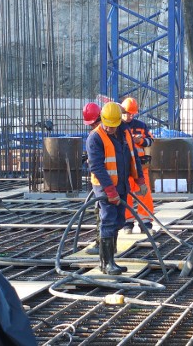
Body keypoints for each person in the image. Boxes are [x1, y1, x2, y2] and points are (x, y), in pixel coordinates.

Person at [86, 102, 147, 275]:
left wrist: (140, 179)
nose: (110, 129)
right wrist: (110, 191)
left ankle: (111, 259)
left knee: (120, 220)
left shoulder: (124, 132)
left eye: (113, 126)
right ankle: (106, 263)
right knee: (108, 220)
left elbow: (133, 157)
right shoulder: (95, 138)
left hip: (122, 184)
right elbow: (97, 167)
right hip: (104, 187)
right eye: (107, 125)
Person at [120, 97, 155, 234]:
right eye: (127, 113)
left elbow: (150, 141)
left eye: (132, 114)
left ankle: (145, 222)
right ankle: (127, 222)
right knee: (126, 194)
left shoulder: (141, 126)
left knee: (144, 193)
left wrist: (140, 141)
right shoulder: (117, 126)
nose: (129, 116)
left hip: (140, 166)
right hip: (125, 167)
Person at [82, 101, 102, 255]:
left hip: (100, 181)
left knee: (102, 214)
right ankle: (106, 245)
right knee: (107, 214)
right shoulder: (109, 131)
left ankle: (102, 245)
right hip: (107, 180)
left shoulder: (96, 135)